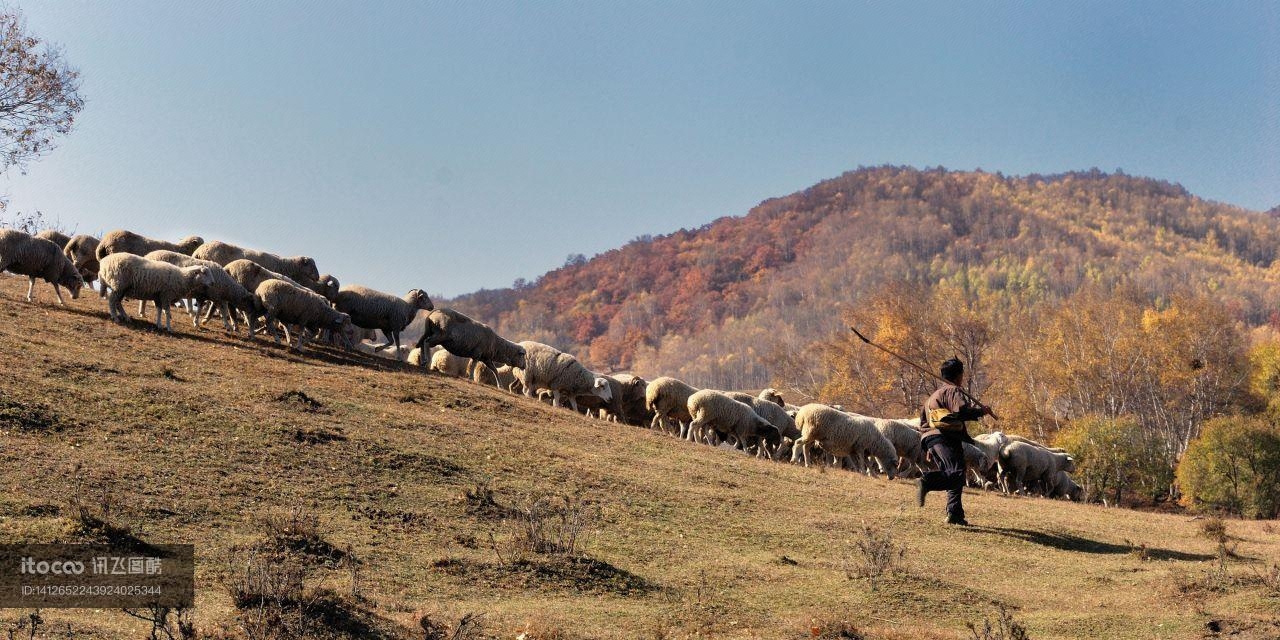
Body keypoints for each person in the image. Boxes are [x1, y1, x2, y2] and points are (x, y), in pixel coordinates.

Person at [916, 358, 991, 525]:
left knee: (954, 473)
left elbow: (924, 424)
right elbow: (962, 411)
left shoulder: (932, 398)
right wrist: (981, 411)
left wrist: (930, 448)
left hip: (932, 439)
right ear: (959, 375)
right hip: (944, 437)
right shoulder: (952, 391)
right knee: (956, 474)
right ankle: (926, 481)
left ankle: (955, 514)